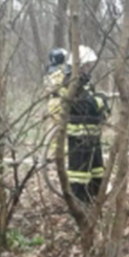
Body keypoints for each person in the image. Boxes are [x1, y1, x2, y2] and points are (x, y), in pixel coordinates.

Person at [51, 45, 110, 203]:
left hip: (91, 133)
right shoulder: (71, 82)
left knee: (96, 169)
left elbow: (91, 101)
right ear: (81, 64)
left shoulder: (84, 81)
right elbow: (85, 105)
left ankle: (94, 198)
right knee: (79, 173)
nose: (90, 67)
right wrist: (101, 102)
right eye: (88, 64)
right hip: (79, 136)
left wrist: (99, 102)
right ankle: (80, 203)